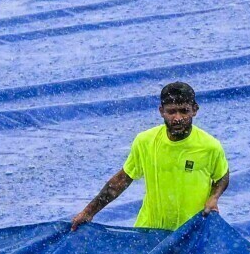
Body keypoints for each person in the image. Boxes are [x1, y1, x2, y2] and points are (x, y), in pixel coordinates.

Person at [70, 81, 229, 230]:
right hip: (150, 231)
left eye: (184, 111)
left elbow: (222, 176)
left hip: (191, 231)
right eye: (171, 112)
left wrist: (214, 197)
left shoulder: (210, 146)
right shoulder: (145, 142)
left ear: (194, 110)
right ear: (161, 111)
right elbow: (121, 180)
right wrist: (89, 212)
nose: (178, 118)